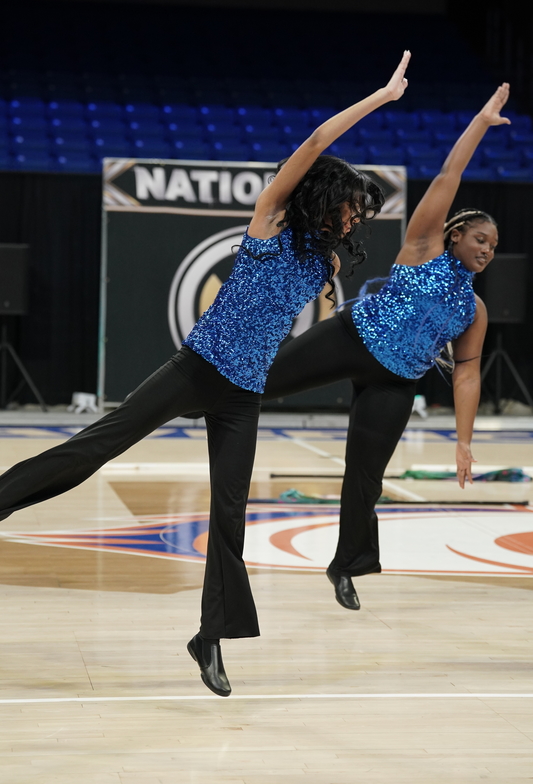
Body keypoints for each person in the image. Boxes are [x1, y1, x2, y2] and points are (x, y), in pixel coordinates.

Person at [0, 52, 412, 696]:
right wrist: (381, 99)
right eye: (352, 206)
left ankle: (209, 638)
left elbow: (345, 309)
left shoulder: (325, 262)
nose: (358, 217)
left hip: (242, 396)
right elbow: (314, 141)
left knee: (229, 517)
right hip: (196, 368)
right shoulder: (271, 217)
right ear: (325, 198)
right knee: (95, 448)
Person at [263, 83, 509, 611]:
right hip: (353, 339)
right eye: (480, 240)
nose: (487, 251)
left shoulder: (475, 310)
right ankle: (191, 398)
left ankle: (345, 566)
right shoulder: (423, 246)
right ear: (458, 233)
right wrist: (480, 124)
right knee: (263, 378)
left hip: (397, 381)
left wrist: (463, 443)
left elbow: (467, 374)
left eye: (493, 247)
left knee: (365, 478)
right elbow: (449, 175)